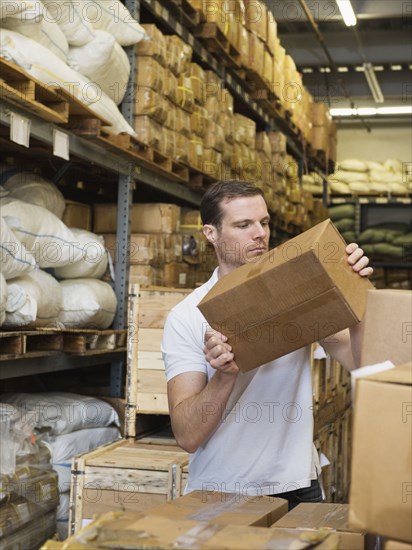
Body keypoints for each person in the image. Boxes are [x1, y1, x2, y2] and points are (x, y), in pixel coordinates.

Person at [161, 180, 373, 509]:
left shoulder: (299, 291)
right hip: (220, 489)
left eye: (264, 222)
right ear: (210, 234)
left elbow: (363, 364)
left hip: (296, 484)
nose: (260, 233)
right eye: (243, 225)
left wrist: (356, 295)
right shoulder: (186, 315)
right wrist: (225, 375)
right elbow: (187, 436)